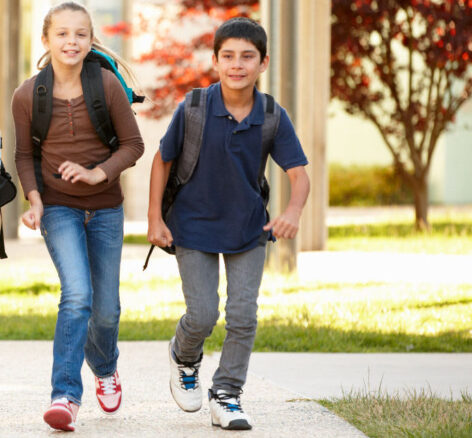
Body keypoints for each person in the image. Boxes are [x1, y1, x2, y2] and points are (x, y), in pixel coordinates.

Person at [147, 16, 311, 431]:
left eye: (247, 57)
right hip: (193, 227)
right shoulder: (196, 107)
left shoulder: (272, 115)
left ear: (263, 63)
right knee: (202, 314)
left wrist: (291, 213)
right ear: (216, 61)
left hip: (248, 229)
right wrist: (154, 218)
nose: (237, 65)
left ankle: (227, 393)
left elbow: (300, 175)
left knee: (243, 316)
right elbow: (162, 160)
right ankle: (184, 356)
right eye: (229, 56)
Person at [11, 2, 145, 431]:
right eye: (62, 34)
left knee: (105, 310)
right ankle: (65, 395)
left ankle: (105, 368)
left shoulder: (106, 85)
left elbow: (133, 145)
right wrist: (34, 199)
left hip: (105, 208)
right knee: (77, 295)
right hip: (58, 207)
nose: (71, 41)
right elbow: (24, 154)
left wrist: (97, 173)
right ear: (46, 40)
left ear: (91, 41)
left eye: (80, 34)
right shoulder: (28, 94)